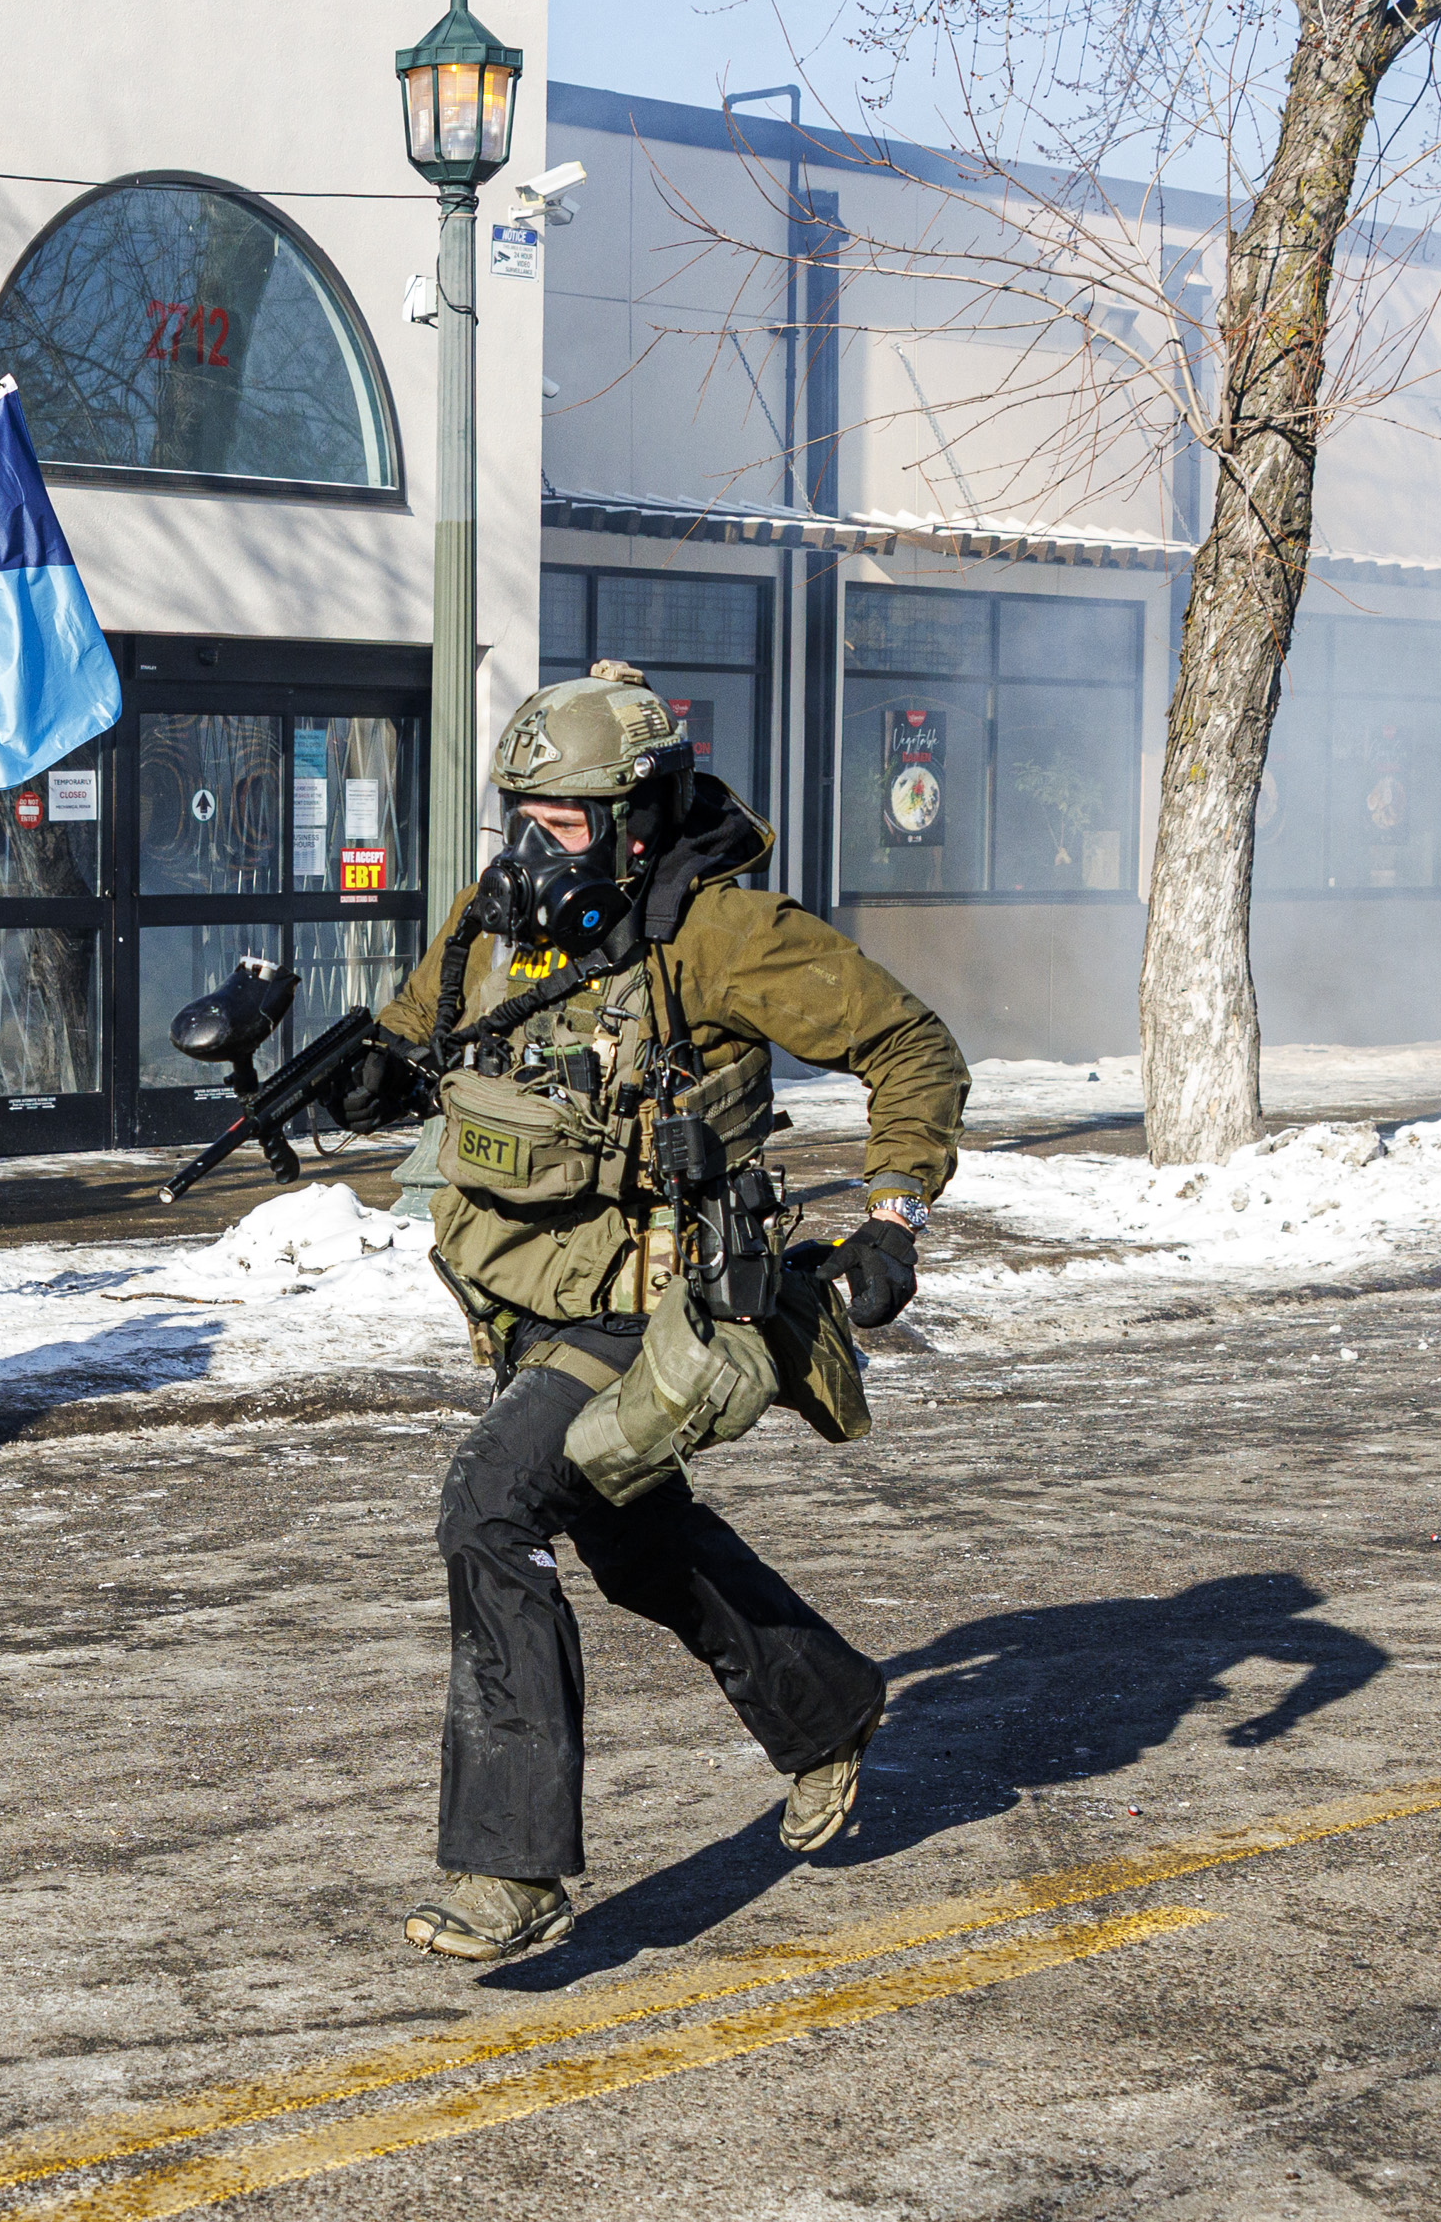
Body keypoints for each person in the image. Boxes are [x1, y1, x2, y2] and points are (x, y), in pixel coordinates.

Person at [325, 663, 969, 1963]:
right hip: (525, 1291)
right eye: (519, 814)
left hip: (652, 1307)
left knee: (490, 1505)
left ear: (633, 815)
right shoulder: (500, 918)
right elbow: (412, 1044)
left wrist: (894, 1213)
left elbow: (913, 1047)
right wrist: (355, 1075)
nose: (528, 844)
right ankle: (825, 1706)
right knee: (630, 1539)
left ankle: (511, 1871)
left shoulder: (722, 936)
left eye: (556, 820)